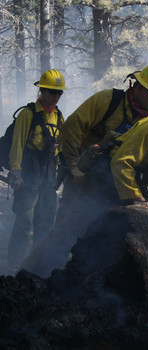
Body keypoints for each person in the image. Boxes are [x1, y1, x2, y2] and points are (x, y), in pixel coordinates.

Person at [20, 101, 148, 277]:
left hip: (131, 191)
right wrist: (138, 202)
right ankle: (28, 275)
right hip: (103, 181)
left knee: (110, 239)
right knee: (71, 231)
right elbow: (122, 163)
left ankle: (82, 283)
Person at [55, 63, 148, 224]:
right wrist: (74, 167)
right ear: (138, 87)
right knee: (66, 230)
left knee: (110, 233)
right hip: (84, 177)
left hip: (118, 185)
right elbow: (71, 128)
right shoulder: (108, 101)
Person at [6, 69, 66, 273]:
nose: (56, 96)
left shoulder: (58, 116)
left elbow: (61, 147)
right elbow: (18, 144)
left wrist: (62, 171)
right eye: (51, 91)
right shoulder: (28, 114)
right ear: (41, 91)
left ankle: (37, 266)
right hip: (29, 173)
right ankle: (14, 265)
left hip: (48, 175)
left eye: (59, 92)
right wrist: (15, 171)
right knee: (25, 221)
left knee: (46, 223)